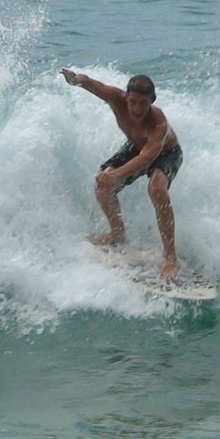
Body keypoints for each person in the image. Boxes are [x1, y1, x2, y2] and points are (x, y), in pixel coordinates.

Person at [60, 68, 183, 281]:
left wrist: (116, 174)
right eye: (133, 102)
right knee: (102, 184)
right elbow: (94, 85)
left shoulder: (158, 123)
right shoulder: (116, 98)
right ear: (126, 96)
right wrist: (77, 80)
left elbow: (146, 160)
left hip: (166, 153)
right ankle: (117, 234)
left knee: (156, 189)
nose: (136, 109)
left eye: (143, 103)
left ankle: (171, 258)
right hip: (137, 147)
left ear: (152, 101)